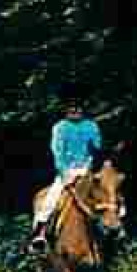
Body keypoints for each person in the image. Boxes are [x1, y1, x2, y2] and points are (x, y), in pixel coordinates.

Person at [28, 96, 104, 253]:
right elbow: (57, 153)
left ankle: (115, 227)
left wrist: (95, 146)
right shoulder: (60, 128)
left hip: (87, 169)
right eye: (72, 108)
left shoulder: (91, 126)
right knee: (51, 199)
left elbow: (97, 148)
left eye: (78, 107)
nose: (75, 111)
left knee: (107, 193)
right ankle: (40, 233)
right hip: (67, 171)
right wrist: (64, 174)